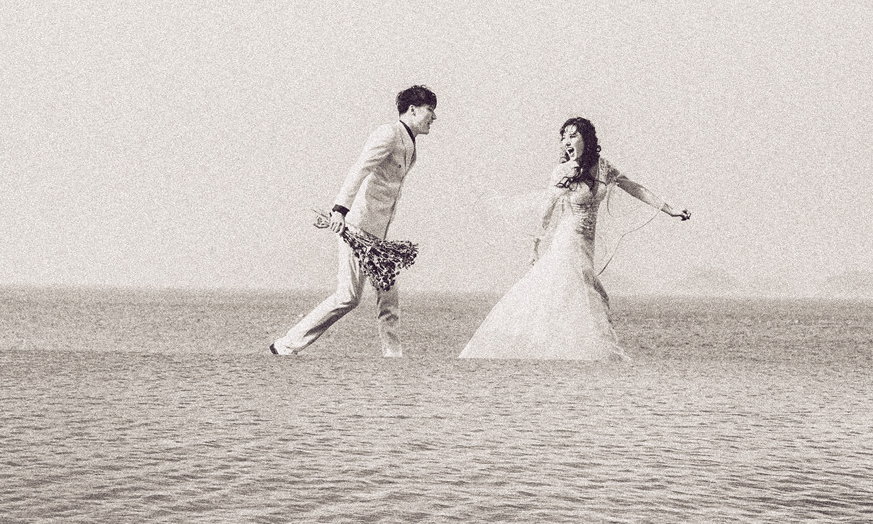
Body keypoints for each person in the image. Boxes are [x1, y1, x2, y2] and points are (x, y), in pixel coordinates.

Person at [459, 116, 688, 360]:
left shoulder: (604, 167)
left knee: (577, 296)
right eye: (563, 137)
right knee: (584, 297)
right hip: (567, 240)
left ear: (586, 139)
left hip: (588, 245)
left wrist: (670, 209)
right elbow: (546, 210)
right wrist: (535, 246)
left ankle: (571, 353)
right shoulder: (562, 171)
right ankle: (581, 354)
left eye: (573, 136)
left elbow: (635, 188)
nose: (566, 142)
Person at [273, 86, 437, 356]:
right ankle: (285, 345)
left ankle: (394, 359)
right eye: (430, 110)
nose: (434, 117)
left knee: (389, 299)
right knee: (347, 297)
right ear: (413, 110)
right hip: (357, 228)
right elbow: (360, 168)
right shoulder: (388, 133)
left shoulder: (411, 145)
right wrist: (339, 210)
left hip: (378, 238)